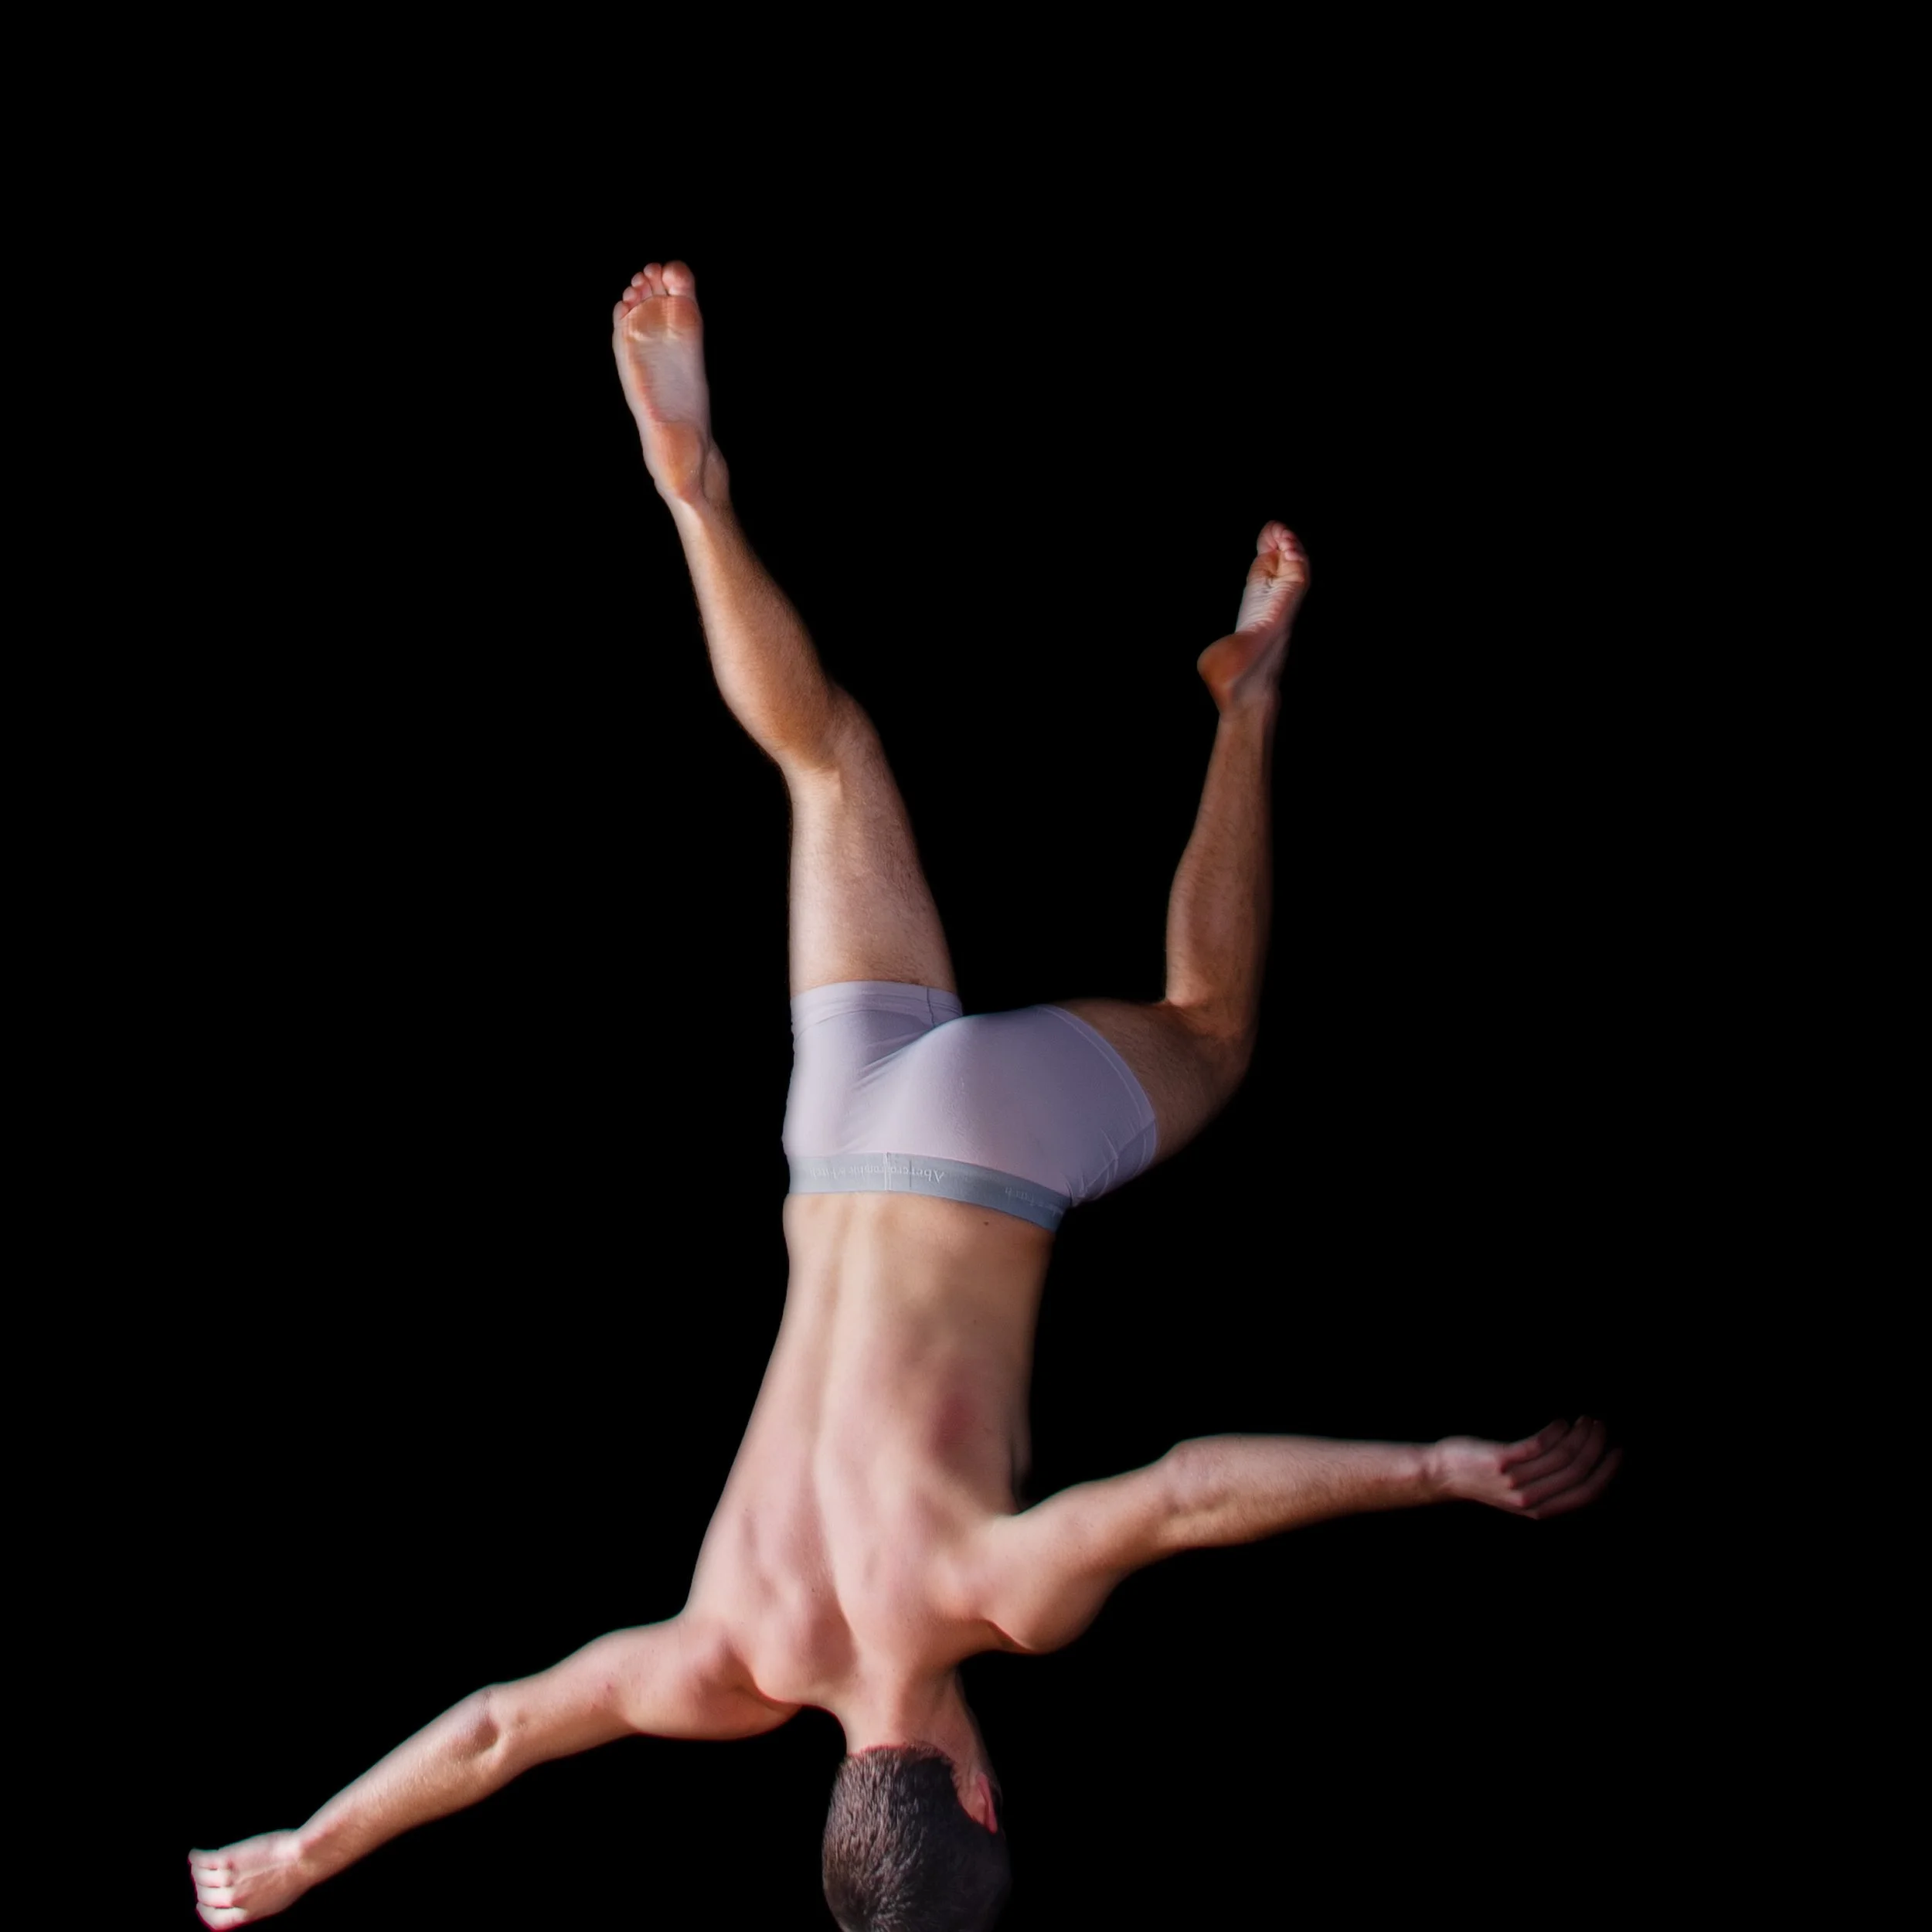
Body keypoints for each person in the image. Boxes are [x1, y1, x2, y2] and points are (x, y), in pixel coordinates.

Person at [188, 260, 1621, 1931]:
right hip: (833, 1131)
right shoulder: (722, 1653)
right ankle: (693, 500)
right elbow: (502, 1725)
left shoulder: (973, 1601)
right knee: (826, 756)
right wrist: (301, 1848)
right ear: (832, 1806)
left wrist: (1437, 1467)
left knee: (1211, 1029)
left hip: (980, 1159)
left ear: (979, 1789)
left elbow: (1181, 1491)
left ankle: (1251, 697)